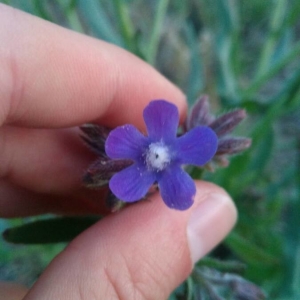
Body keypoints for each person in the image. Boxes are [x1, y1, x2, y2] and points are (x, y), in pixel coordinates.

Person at [0, 4, 237, 300]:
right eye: (155, 155)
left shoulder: (178, 169)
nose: (157, 157)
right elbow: (117, 145)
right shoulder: (132, 162)